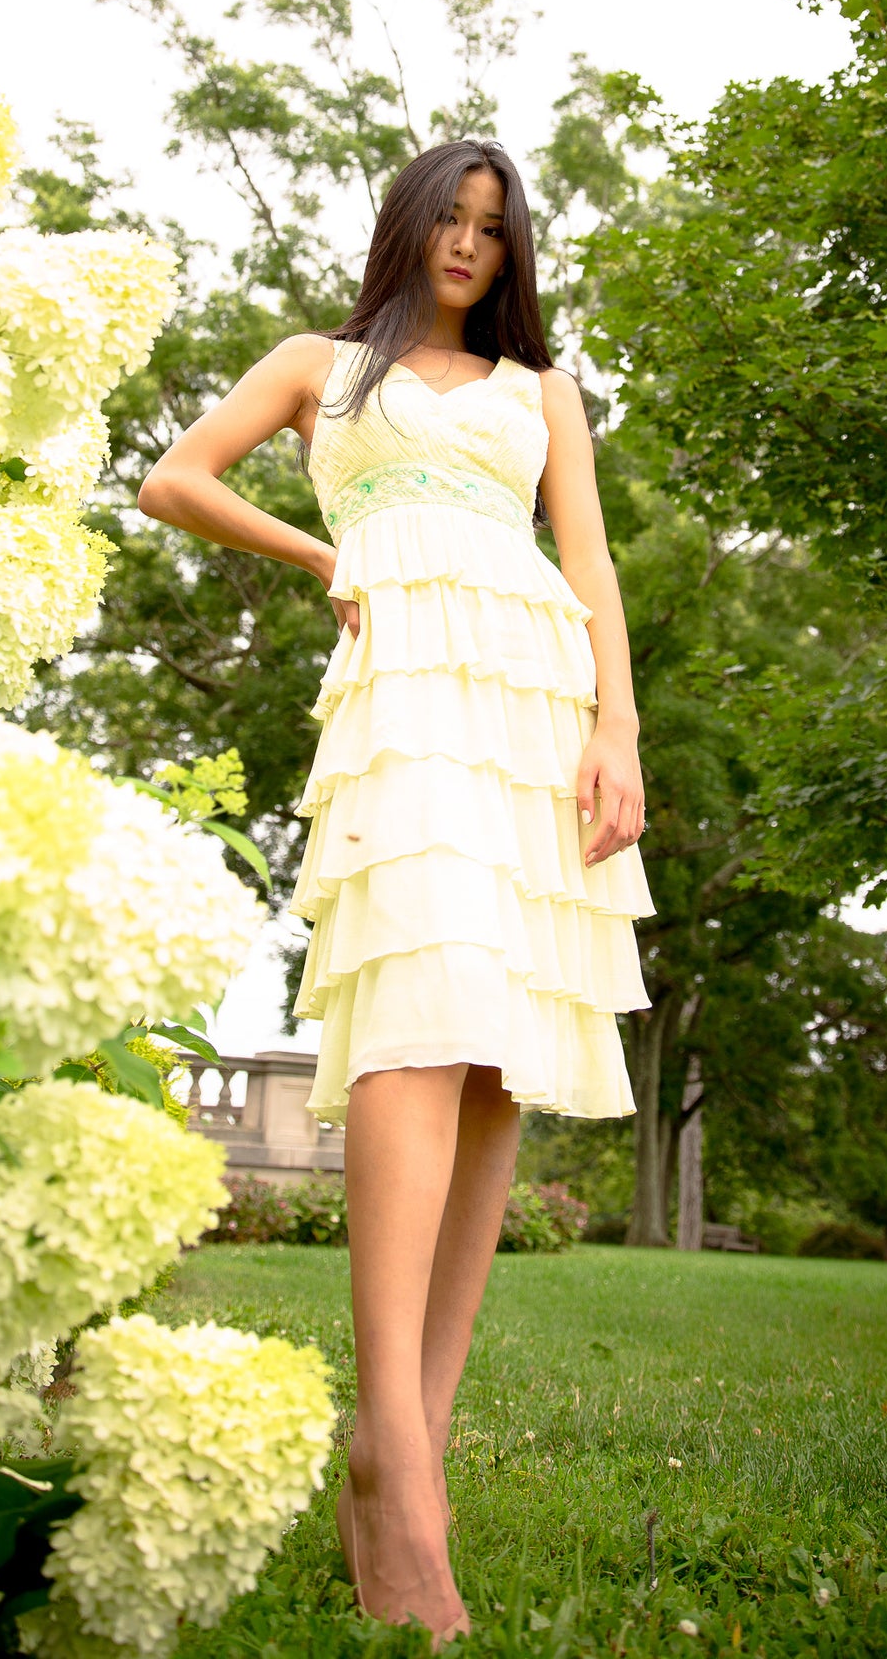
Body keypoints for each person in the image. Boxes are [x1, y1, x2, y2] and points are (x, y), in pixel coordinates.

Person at [137, 138, 653, 1643]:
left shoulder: (540, 392)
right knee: (414, 1021)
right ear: (409, 225)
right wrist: (322, 558)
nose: (470, 248)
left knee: (501, 1056)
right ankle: (407, 1485)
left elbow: (594, 568)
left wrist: (616, 730)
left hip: (535, 703)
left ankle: (396, 1447)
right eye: (452, 221)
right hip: (404, 692)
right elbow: (174, 480)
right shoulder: (319, 365)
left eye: (496, 232)